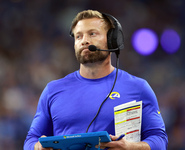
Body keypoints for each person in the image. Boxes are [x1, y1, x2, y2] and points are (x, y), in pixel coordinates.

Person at [24, 10, 168, 150]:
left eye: (92, 34)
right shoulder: (52, 90)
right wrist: (37, 147)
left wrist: (130, 147)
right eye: (78, 36)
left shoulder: (138, 88)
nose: (84, 40)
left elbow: (159, 140)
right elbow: (31, 139)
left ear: (112, 41)